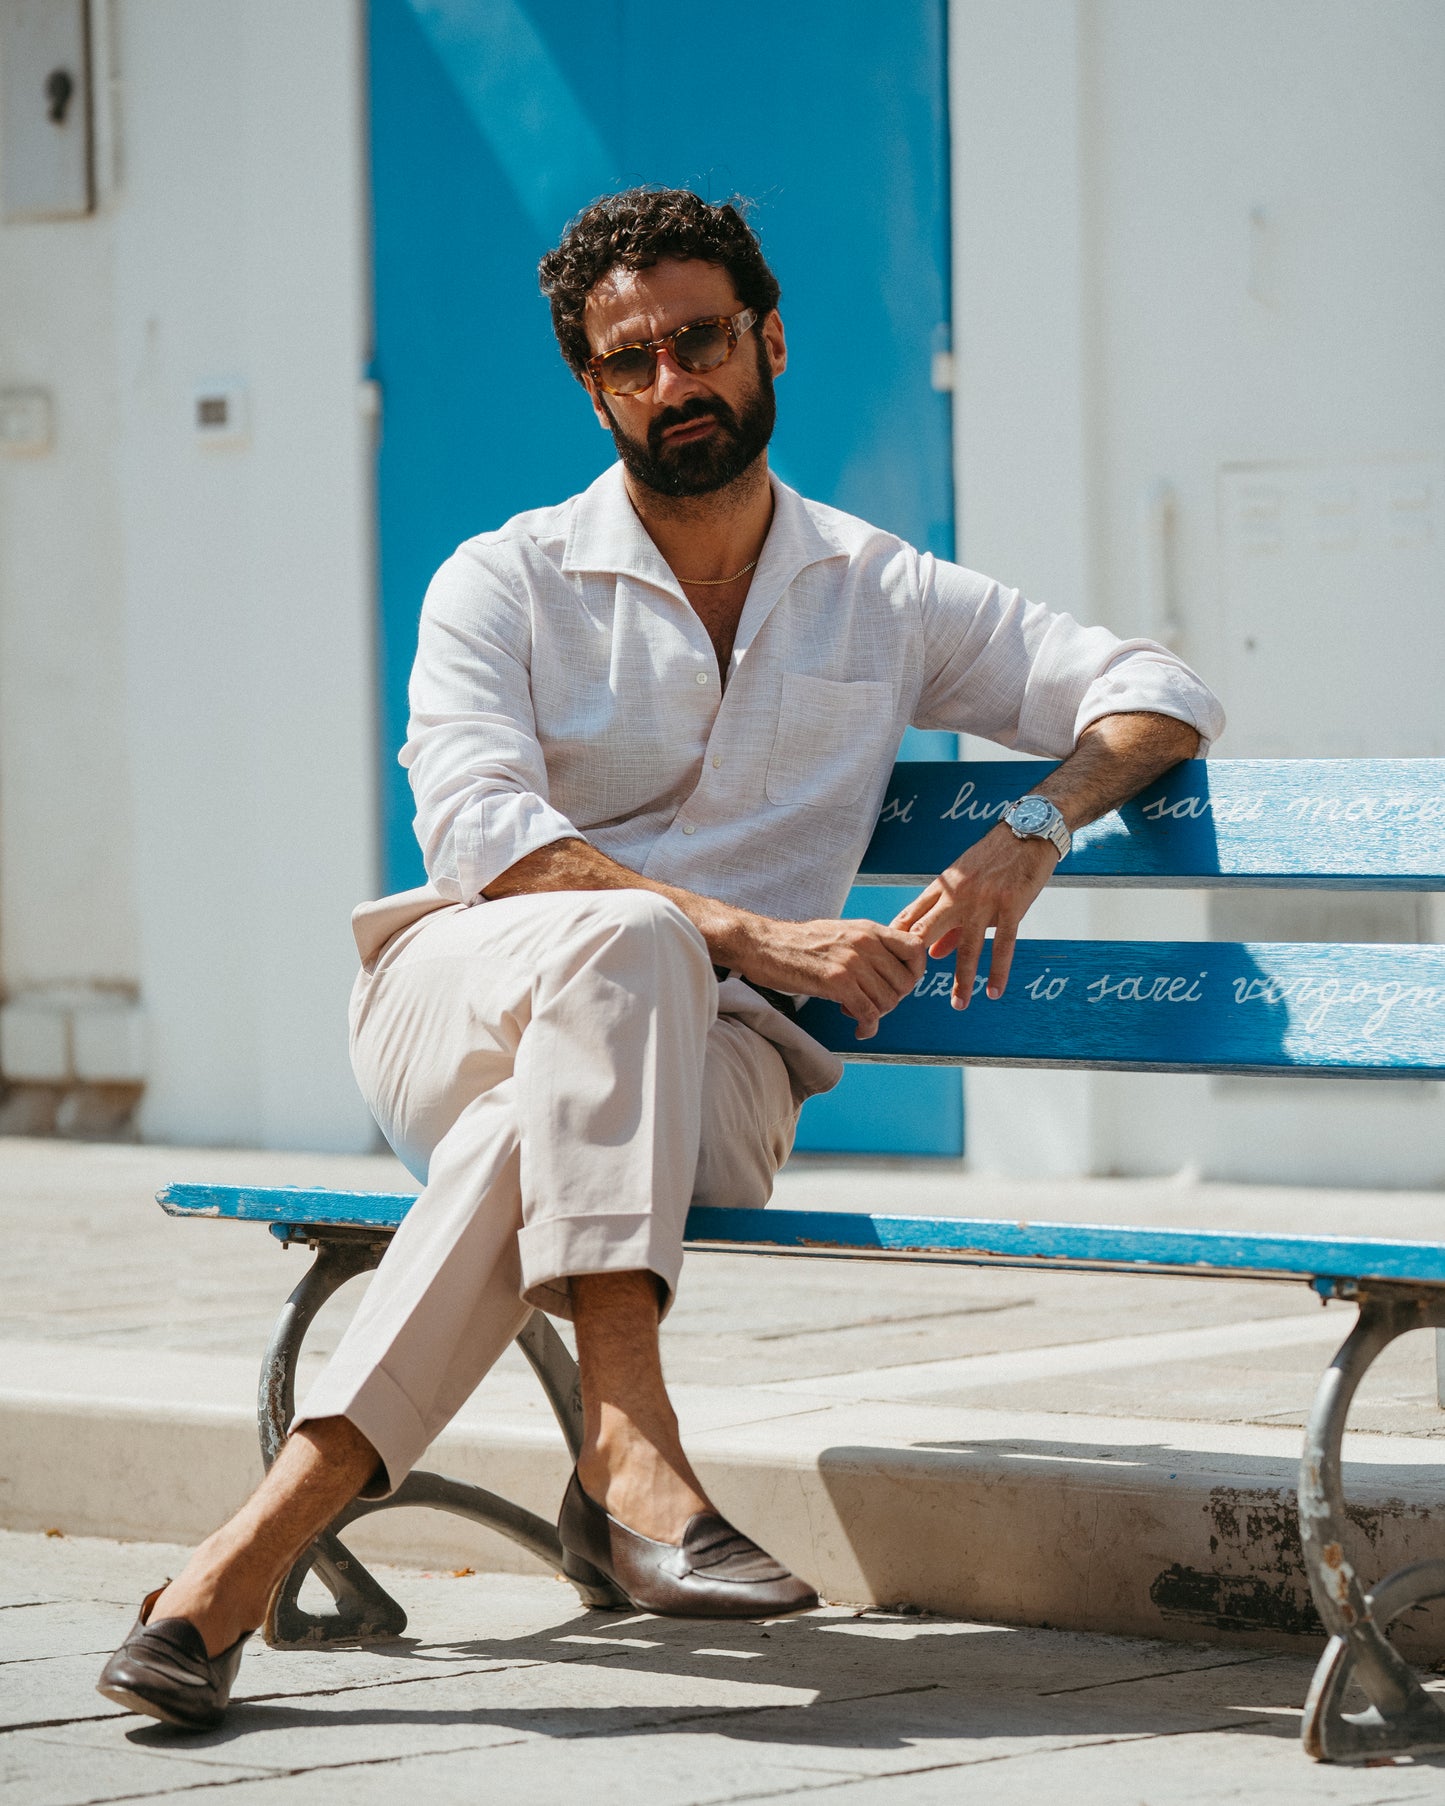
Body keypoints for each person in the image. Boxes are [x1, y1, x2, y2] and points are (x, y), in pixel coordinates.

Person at [99, 187, 1223, 1728]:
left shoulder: (879, 591)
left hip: (720, 1069)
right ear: (592, 386)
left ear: (767, 338)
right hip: (463, 998)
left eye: (697, 341)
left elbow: (1153, 686)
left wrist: (1030, 824)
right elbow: (481, 828)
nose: (670, 383)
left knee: (533, 1132)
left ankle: (242, 1555)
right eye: (629, 361)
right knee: (619, 944)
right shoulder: (503, 577)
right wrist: (749, 929)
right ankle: (630, 1446)